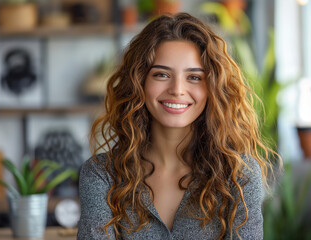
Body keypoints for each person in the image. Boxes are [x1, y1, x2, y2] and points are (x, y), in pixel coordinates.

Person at [77, 13, 277, 240]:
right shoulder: (102, 175)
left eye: (194, 77)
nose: (177, 89)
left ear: (212, 87)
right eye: (161, 74)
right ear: (139, 82)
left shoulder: (239, 175)